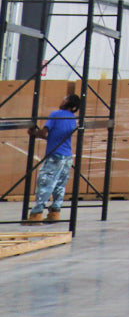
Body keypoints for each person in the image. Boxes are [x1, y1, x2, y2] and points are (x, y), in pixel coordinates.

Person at [26, 92, 82, 222]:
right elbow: (53, 137)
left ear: (68, 102)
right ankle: (55, 213)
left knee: (45, 182)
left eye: (65, 98)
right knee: (60, 185)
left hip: (54, 156)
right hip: (67, 156)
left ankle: (36, 214)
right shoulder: (72, 118)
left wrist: (34, 133)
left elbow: (44, 132)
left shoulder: (55, 114)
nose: (62, 100)